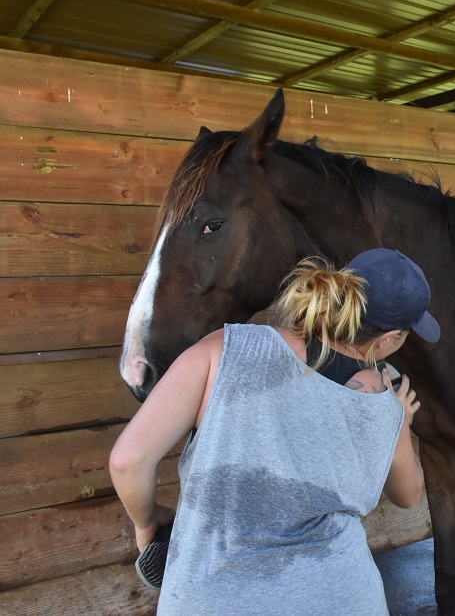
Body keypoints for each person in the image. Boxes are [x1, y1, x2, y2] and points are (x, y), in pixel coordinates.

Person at [109, 248, 438, 615]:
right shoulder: (383, 404)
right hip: (338, 599)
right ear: (390, 339)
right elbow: (408, 494)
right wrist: (401, 423)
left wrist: (147, 520)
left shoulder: (226, 347)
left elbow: (127, 460)